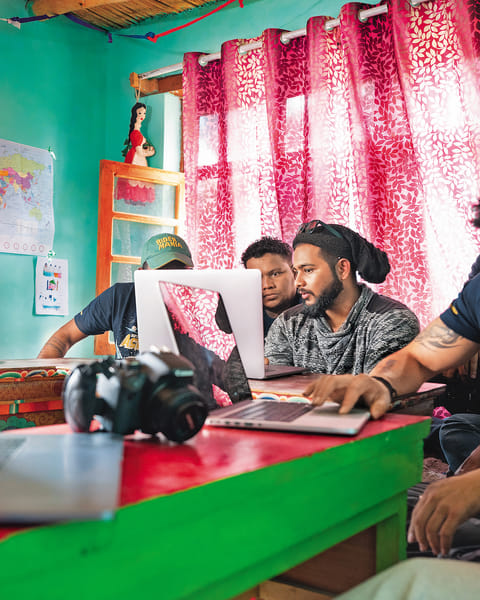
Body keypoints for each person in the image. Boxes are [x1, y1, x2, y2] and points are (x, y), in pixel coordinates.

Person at [264, 219, 419, 374]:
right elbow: (275, 386)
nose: (298, 282)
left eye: (308, 270)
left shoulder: (393, 321)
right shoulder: (288, 323)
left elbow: (378, 386)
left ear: (342, 268)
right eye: (296, 271)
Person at [37, 233, 193, 359]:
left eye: (179, 272)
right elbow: (64, 337)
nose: (170, 281)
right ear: (140, 274)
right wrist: (41, 380)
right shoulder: (120, 298)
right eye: (161, 272)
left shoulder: (199, 306)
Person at [241, 236, 301, 337]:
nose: (266, 285)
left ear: (294, 273)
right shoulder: (247, 311)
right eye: (258, 278)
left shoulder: (315, 309)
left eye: (275, 274)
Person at [123, 102, 155, 166]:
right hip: (136, 160)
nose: (142, 115)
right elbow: (140, 152)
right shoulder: (135, 133)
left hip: (138, 158)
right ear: (135, 114)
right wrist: (150, 152)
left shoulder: (137, 132)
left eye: (144, 113)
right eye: (140, 113)